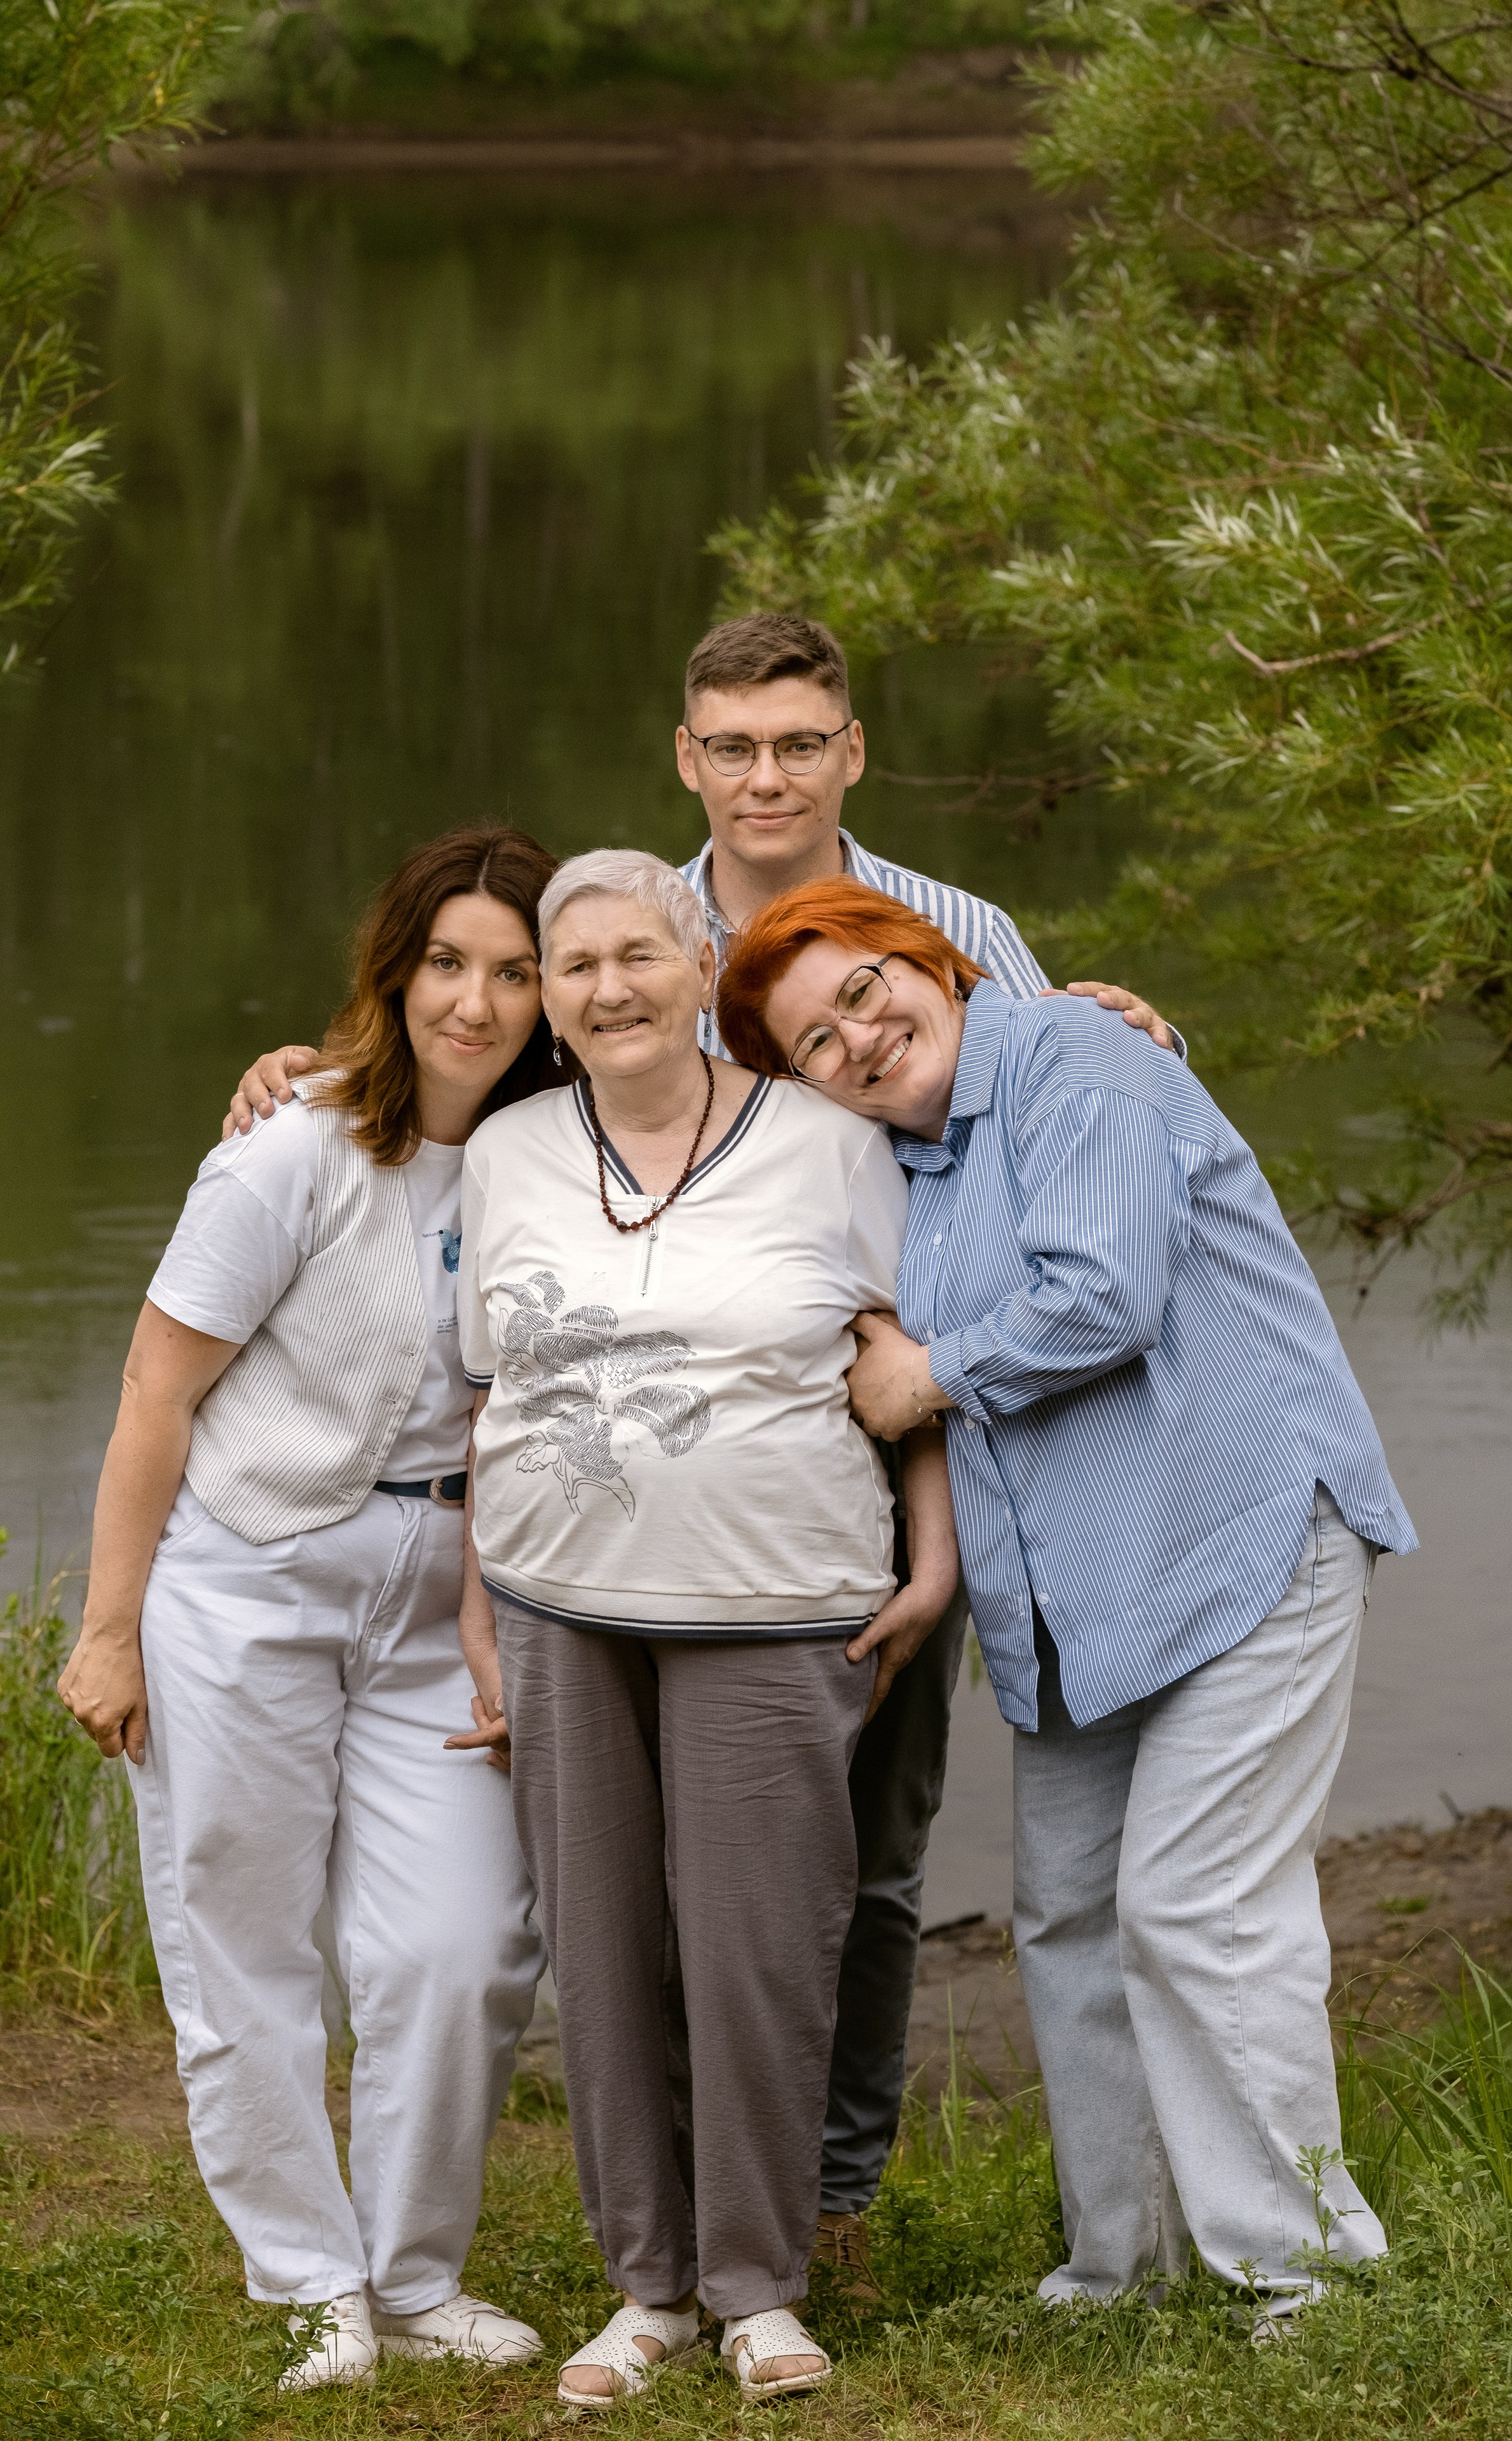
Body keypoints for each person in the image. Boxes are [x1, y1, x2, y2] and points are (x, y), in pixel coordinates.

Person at [223, 612, 1182, 2290]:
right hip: (628, 1500)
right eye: (732, 746)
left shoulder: (962, 933)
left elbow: (1039, 1110)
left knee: (868, 1851)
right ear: (687, 757)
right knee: (659, 1863)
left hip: (889, 1452)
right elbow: (474, 1074)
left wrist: (1108, 1019)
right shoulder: (634, 930)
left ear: (851, 751)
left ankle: (831, 2192)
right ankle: (679, 2205)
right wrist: (317, 1073)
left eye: (799, 743)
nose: (765, 777)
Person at [715, 876, 1419, 2334]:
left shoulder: (1065, 1056)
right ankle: (1124, 2268)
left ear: (930, 960)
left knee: (1199, 1910)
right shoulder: (893, 1169)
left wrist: (925, 1372)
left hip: (1240, 1542)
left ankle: (1311, 2282)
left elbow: (1102, 1292)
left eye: (863, 989)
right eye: (811, 1044)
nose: (856, 1037)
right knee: (1073, 1924)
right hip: (1081, 1609)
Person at [56, 829, 559, 2393]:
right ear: (394, 972)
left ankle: (412, 2277)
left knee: (461, 1943)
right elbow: (157, 1384)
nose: (474, 1002)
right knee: (243, 1940)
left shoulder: (564, 1156)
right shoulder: (294, 1146)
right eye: (446, 964)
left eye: (514, 970)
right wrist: (111, 1625)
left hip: (448, 1603)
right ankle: (307, 2285)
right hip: (249, 1579)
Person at [455, 850, 959, 2403]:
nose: (609, 989)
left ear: (696, 963)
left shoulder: (826, 1142)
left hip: (778, 1597)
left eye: (639, 956)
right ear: (549, 995)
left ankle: (757, 2287)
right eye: (575, 965)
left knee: (757, 1947)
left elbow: (898, 1360)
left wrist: (929, 1566)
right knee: (601, 1949)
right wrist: (480, 1613)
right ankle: (646, 2290)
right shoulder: (511, 1149)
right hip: (557, 1602)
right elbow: (494, 1394)